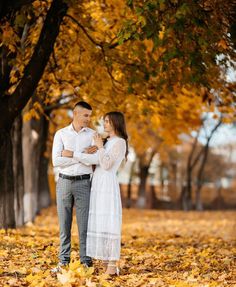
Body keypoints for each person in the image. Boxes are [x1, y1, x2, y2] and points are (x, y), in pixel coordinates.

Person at [62, 111, 128, 275]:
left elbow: (106, 164)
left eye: (107, 121)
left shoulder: (120, 143)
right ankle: (106, 263)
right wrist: (83, 153)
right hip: (97, 183)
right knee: (100, 220)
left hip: (107, 184)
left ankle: (112, 265)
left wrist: (99, 147)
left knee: (109, 222)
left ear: (115, 123)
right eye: (104, 121)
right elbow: (95, 161)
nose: (104, 124)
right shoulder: (106, 142)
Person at [51, 101, 97, 272]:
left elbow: (95, 160)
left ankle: (86, 261)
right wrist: (83, 155)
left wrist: (72, 154)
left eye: (89, 116)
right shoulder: (61, 134)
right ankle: (63, 261)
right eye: (86, 115)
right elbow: (57, 161)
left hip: (84, 182)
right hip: (64, 182)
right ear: (75, 114)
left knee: (85, 225)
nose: (88, 119)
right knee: (64, 225)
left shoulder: (93, 135)